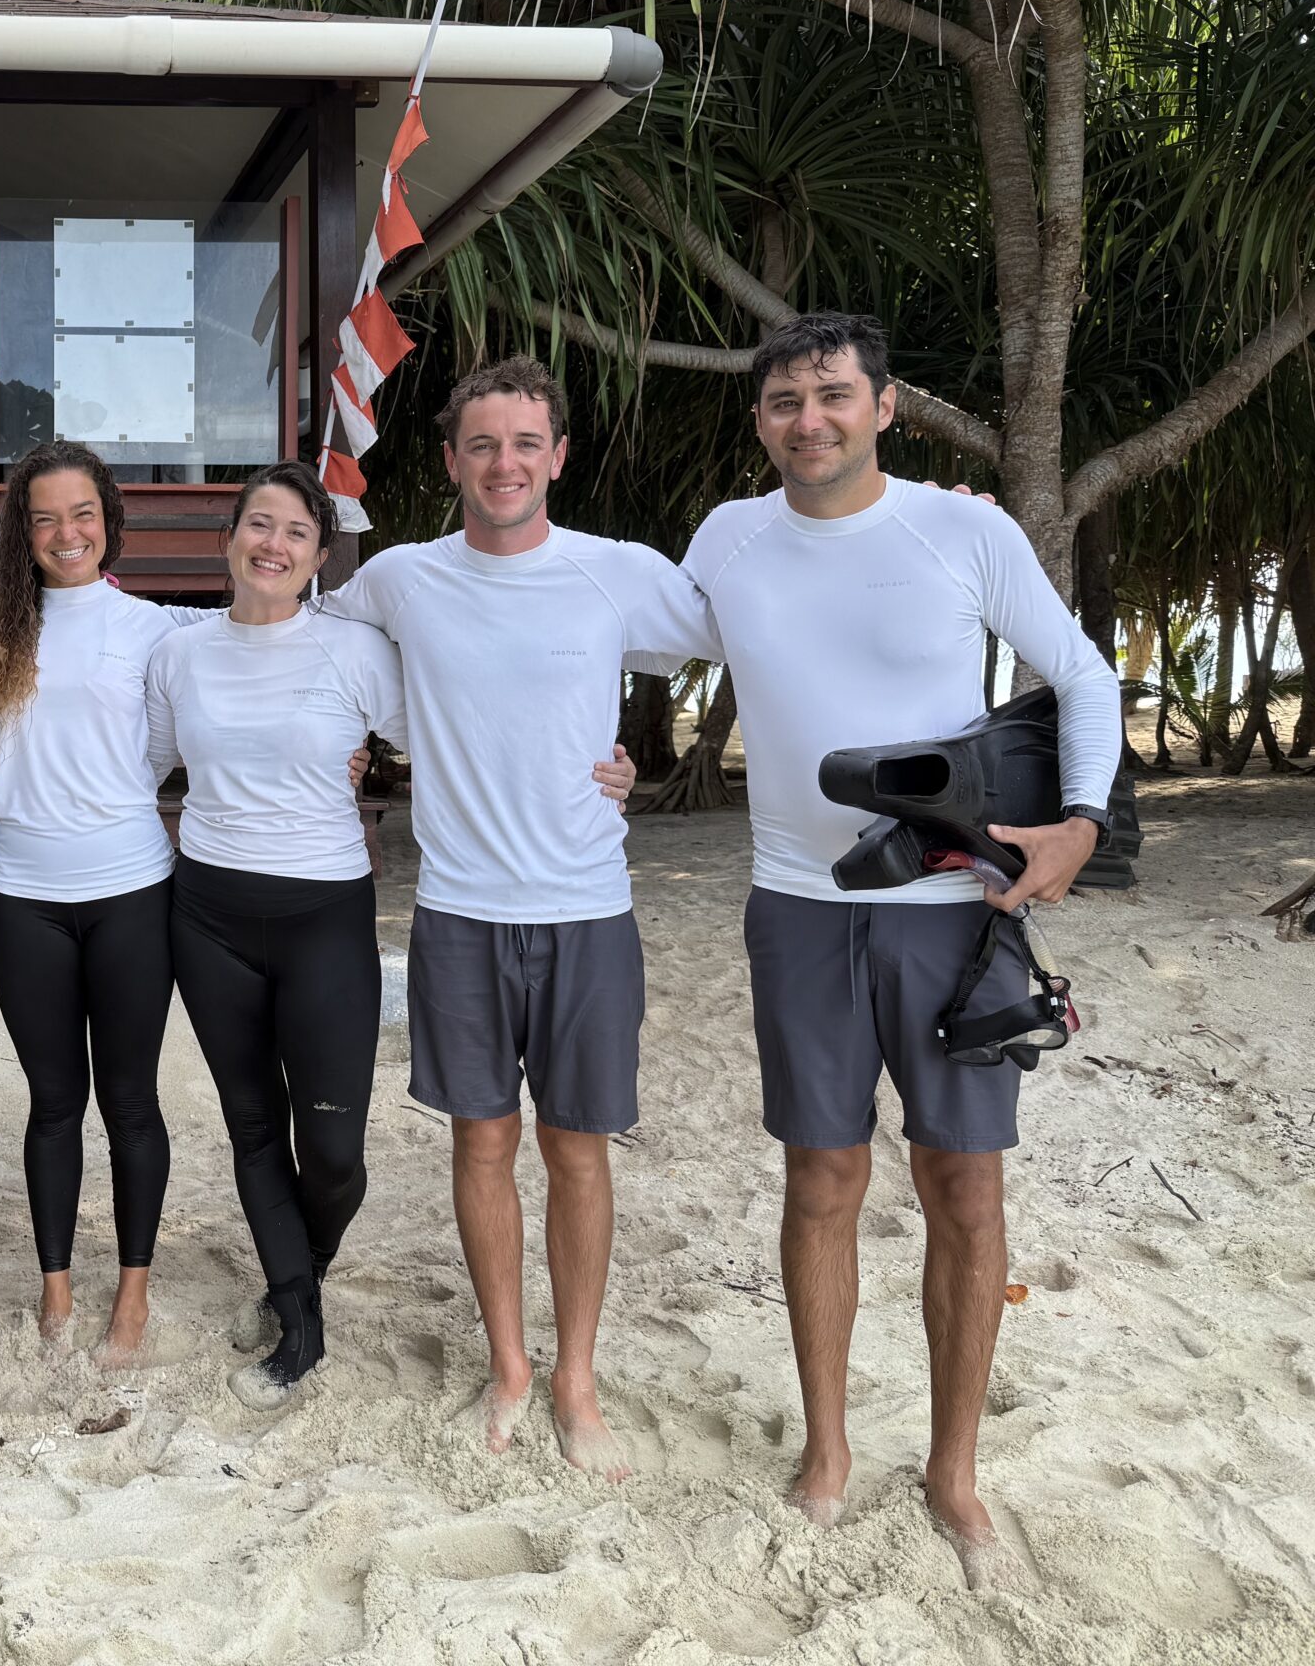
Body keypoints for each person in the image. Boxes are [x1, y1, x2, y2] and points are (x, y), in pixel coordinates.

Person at [679, 311, 1118, 1573]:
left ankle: (953, 1470)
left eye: (830, 394)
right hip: (797, 908)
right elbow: (633, 632)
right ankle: (827, 1450)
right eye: (781, 402)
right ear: (759, 421)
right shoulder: (727, 538)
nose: (805, 419)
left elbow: (1081, 676)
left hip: (957, 910)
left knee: (964, 1190)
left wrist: (1077, 827)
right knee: (819, 1180)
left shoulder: (963, 528)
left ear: (885, 406)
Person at [325, 357, 689, 1477]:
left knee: (577, 1149)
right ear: (449, 461)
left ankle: (575, 1376)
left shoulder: (615, 574)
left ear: (558, 456)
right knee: (481, 1141)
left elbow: (760, 613)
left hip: (585, 905)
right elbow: (302, 635)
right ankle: (509, 1364)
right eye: (482, 445)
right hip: (459, 910)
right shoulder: (399, 579)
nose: (504, 464)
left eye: (525, 443)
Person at [144, 459, 409, 1410]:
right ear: (230, 540)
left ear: (320, 558)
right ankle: (298, 1315)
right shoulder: (182, 655)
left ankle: (308, 1257)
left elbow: (451, 736)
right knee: (252, 1123)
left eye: (296, 532)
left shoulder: (353, 652)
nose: (273, 544)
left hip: (324, 914)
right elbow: (140, 763)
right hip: (208, 912)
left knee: (332, 1147)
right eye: (259, 524)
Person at [0, 441, 188, 1367]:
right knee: (54, 1103)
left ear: (109, 520)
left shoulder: (154, 631)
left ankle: (132, 1292)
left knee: (130, 1101)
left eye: (82, 513)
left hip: (132, 887)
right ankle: (55, 1285)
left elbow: (184, 736)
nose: (67, 533)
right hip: (26, 897)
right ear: (23, 532)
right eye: (45, 517)